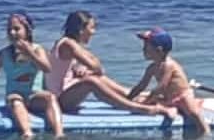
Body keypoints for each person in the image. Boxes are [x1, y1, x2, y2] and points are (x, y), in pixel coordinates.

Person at [45, 10, 176, 119]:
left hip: (67, 91)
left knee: (97, 78)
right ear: (81, 29)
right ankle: (141, 108)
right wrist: (88, 66)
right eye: (91, 28)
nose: (93, 32)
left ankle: (139, 97)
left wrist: (80, 68)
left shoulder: (70, 44)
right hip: (59, 100)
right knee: (92, 81)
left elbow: (70, 68)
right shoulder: (69, 44)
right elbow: (97, 68)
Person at [0, 12, 64, 140]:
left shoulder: (37, 50)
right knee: (16, 101)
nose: (12, 33)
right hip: (15, 96)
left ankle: (59, 134)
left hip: (34, 96)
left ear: (28, 30)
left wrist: (30, 53)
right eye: (9, 30)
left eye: (17, 29)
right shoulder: (4, 54)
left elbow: (47, 68)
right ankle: (27, 133)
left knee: (50, 97)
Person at [128, 28, 210, 136]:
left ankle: (205, 132)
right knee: (139, 99)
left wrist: (145, 103)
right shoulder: (152, 68)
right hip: (168, 97)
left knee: (193, 113)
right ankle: (173, 108)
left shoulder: (168, 65)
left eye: (146, 47)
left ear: (159, 50)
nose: (143, 50)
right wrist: (128, 99)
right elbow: (141, 86)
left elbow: (161, 87)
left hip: (182, 96)